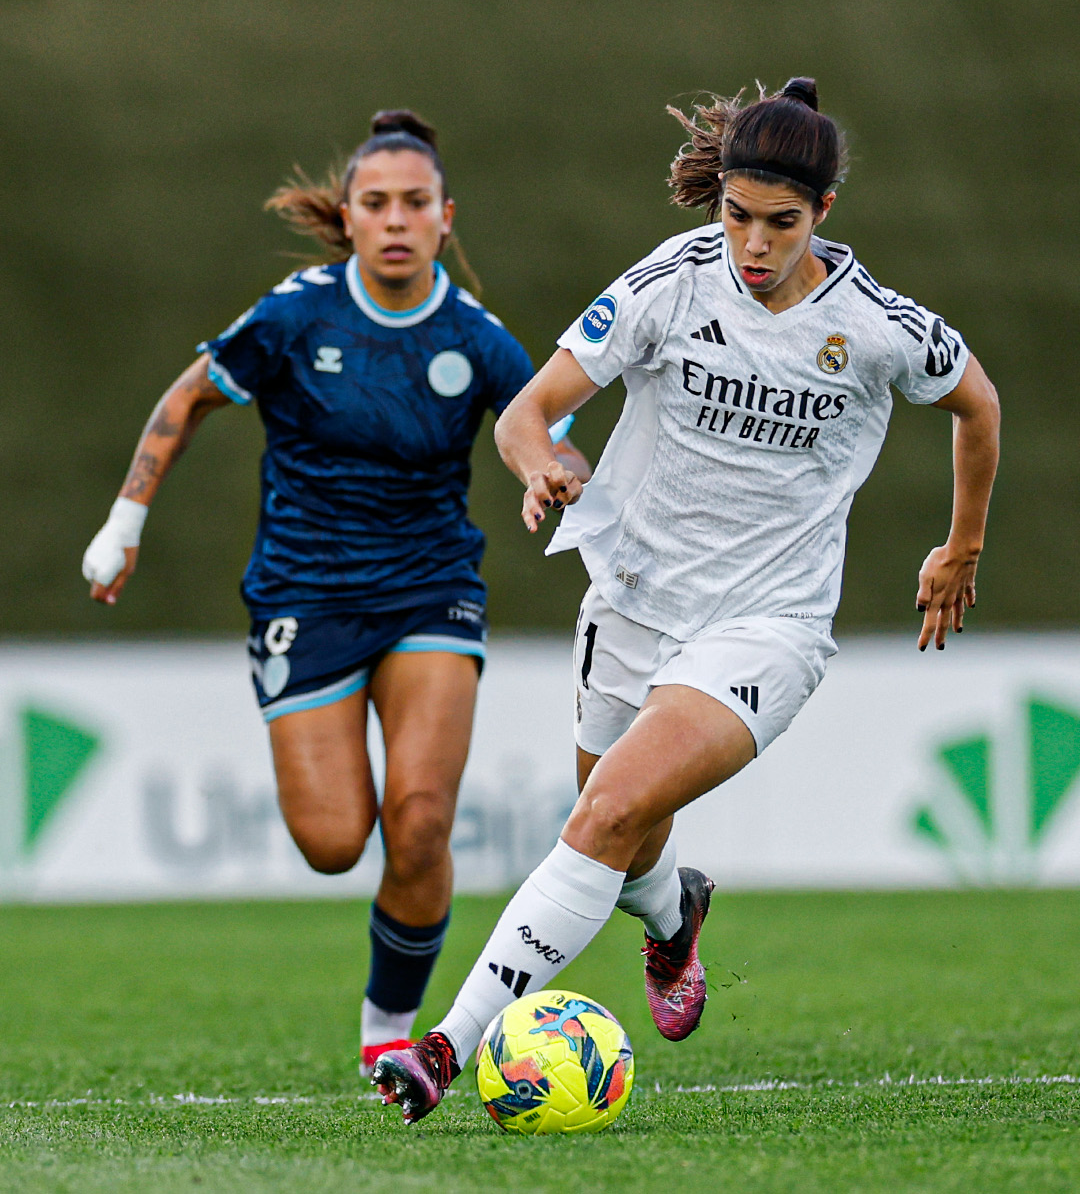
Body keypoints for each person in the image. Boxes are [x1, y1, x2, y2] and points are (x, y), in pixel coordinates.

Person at [371, 77, 1001, 1121]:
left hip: (769, 624)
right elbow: (529, 413)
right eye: (736, 215)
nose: (753, 244)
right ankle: (676, 916)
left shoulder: (879, 326)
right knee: (621, 840)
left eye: (781, 223)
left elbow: (975, 402)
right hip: (633, 599)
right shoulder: (671, 283)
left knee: (607, 809)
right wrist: (540, 465)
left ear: (824, 217)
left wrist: (961, 546)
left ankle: (444, 1044)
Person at [81, 109, 588, 1076]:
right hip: (303, 595)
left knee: (424, 819)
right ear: (348, 217)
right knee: (329, 842)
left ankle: (389, 1029)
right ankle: (388, 988)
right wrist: (126, 521)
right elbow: (188, 396)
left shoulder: (477, 340)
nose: (396, 219)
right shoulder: (294, 314)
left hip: (430, 586)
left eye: (415, 203)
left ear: (446, 218)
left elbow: (539, 428)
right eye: (375, 203)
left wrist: (555, 474)